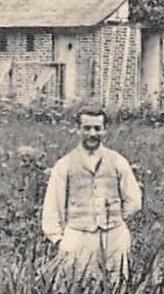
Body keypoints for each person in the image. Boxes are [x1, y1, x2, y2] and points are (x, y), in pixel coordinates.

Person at [41, 107, 142, 281]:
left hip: (114, 237)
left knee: (115, 287)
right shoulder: (64, 164)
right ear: (78, 129)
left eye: (97, 128)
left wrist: (115, 219)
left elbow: (134, 200)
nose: (92, 134)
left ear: (105, 130)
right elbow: (52, 205)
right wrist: (59, 239)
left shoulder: (118, 161)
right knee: (75, 288)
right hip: (78, 236)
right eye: (87, 128)